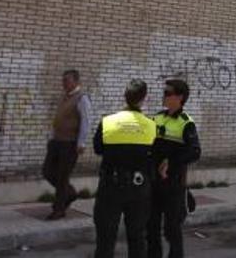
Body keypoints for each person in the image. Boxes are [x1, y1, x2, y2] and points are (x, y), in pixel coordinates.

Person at [93, 79, 157, 258]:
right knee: (137, 238)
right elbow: (154, 154)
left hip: (110, 186)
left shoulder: (108, 122)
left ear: (125, 96)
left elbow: (98, 149)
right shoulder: (151, 125)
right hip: (139, 188)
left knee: (105, 238)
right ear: (144, 98)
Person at [148, 80, 201, 258]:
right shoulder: (157, 118)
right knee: (151, 227)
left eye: (168, 93)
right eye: (164, 91)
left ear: (179, 97)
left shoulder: (186, 123)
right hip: (154, 183)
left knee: (172, 229)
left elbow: (194, 151)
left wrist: (172, 161)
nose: (164, 95)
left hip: (173, 185)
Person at [42, 69, 92, 220]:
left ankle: (59, 209)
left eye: (67, 80)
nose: (63, 83)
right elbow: (59, 119)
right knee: (48, 171)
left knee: (63, 176)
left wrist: (81, 143)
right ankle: (69, 193)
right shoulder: (65, 97)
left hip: (70, 144)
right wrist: (52, 137)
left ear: (76, 81)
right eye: (63, 80)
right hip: (57, 141)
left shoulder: (81, 98)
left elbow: (86, 121)